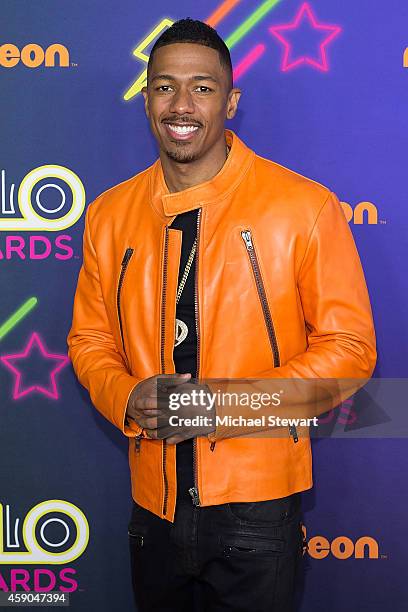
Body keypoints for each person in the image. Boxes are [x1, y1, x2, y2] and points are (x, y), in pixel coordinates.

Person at [66, 18, 376, 612]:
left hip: (257, 515)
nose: (182, 104)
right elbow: (89, 338)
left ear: (230, 101)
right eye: (164, 86)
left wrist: (221, 405)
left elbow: (351, 349)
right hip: (151, 510)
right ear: (147, 98)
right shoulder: (109, 214)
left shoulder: (303, 206)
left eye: (202, 88)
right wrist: (127, 396)